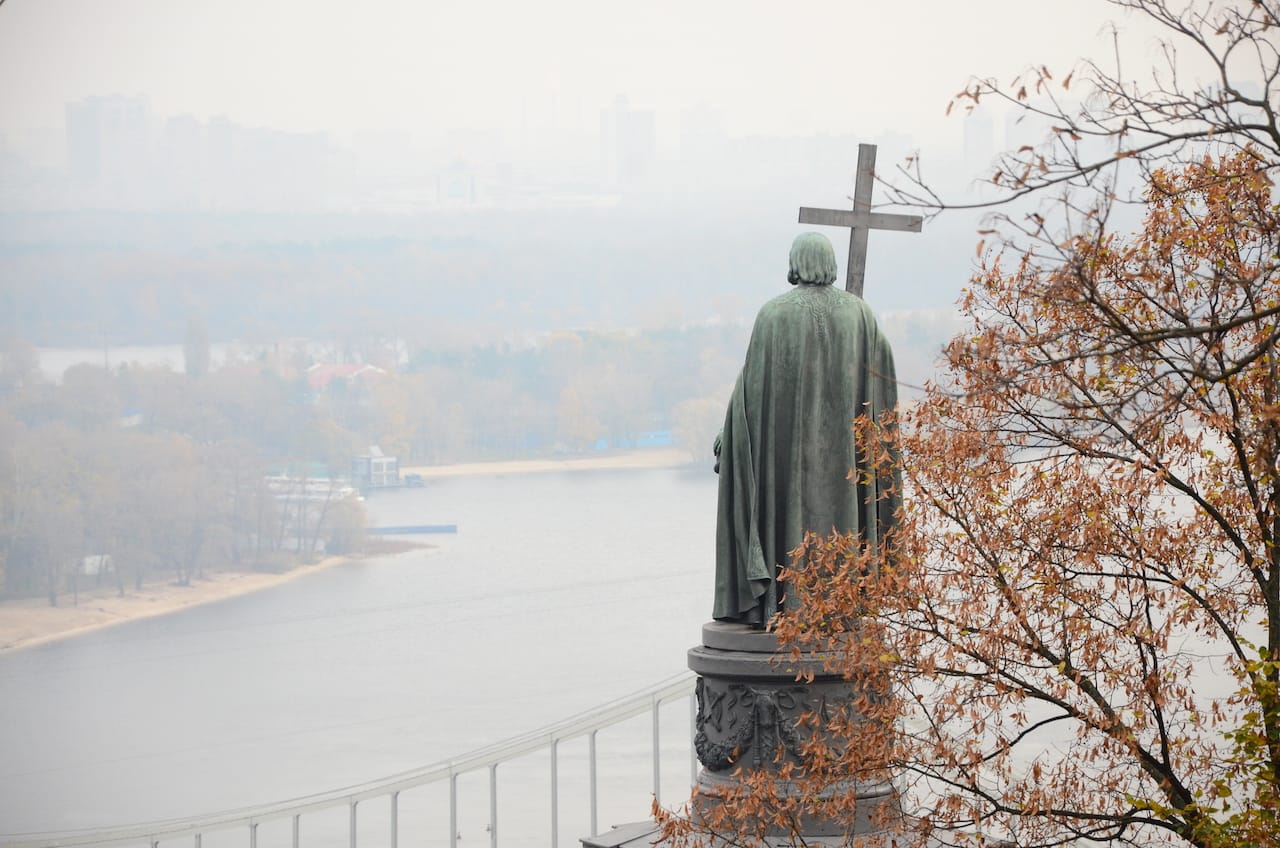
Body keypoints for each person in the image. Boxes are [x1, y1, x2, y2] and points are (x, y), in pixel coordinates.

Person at [712, 232, 900, 626]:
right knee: (842, 521)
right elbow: (881, 380)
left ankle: (784, 603)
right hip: (845, 461)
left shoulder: (773, 315)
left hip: (785, 458)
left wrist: (729, 437)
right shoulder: (860, 315)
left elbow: (752, 391)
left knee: (784, 513)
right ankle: (841, 605)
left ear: (796, 263)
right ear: (829, 264)